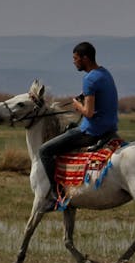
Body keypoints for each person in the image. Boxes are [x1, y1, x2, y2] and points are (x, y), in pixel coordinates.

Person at [38, 41, 119, 209]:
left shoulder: (89, 79)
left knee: (44, 151)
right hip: (110, 127)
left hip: (92, 131)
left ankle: (55, 197)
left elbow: (88, 113)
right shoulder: (105, 73)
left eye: (75, 58)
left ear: (85, 58)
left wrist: (77, 106)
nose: (74, 62)